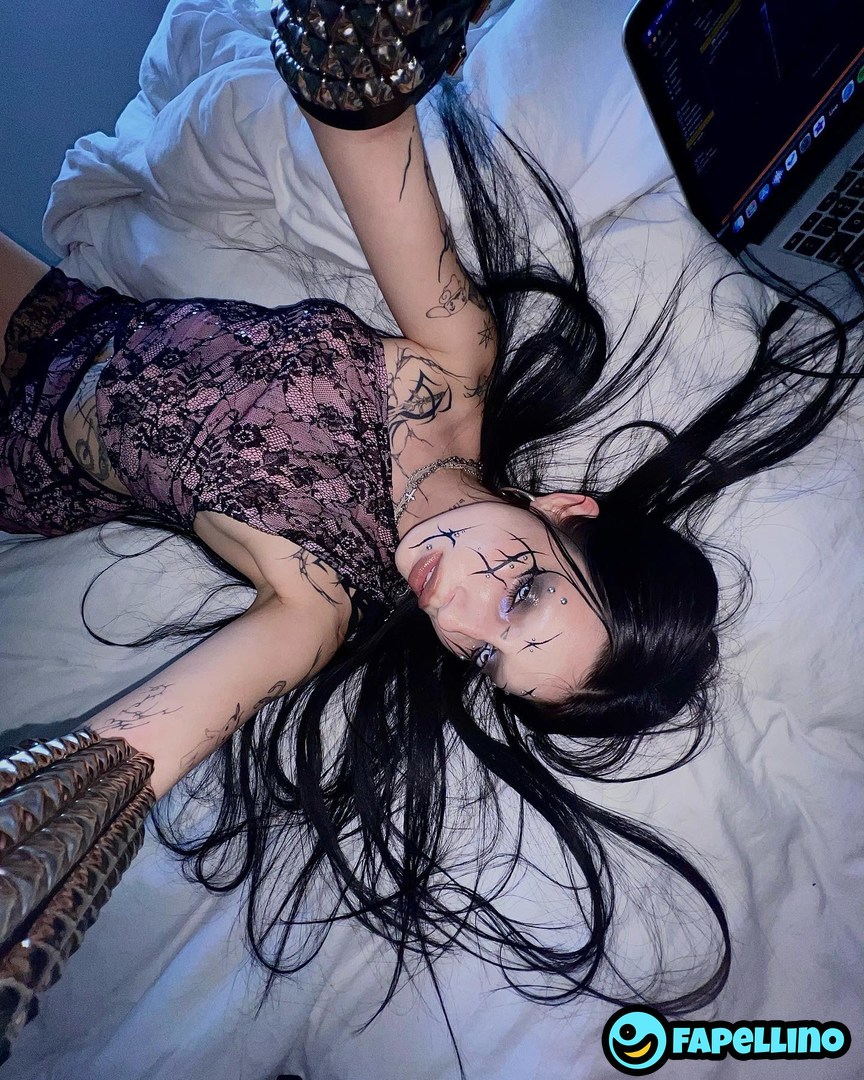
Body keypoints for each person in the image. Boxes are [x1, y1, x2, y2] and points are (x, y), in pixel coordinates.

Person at [1, 4, 862, 1039]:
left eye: (487, 658)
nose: (457, 615)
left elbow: (111, 777)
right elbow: (361, 124)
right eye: (524, 592)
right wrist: (361, 46)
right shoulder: (455, 361)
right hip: (61, 314)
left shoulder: (315, 607)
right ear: (565, 508)